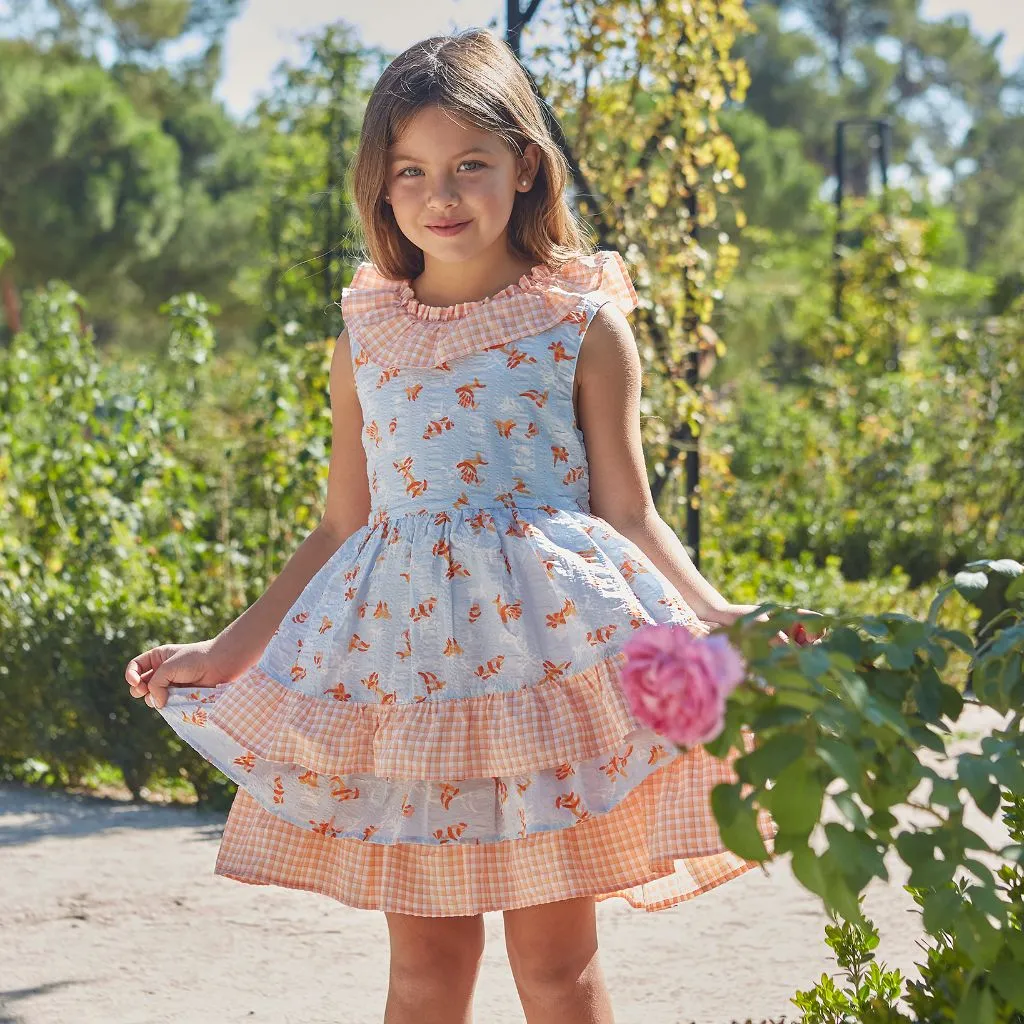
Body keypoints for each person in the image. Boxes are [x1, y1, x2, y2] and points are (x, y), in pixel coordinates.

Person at [124, 28, 795, 1024]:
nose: (442, 194)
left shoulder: (582, 324)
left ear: (526, 166)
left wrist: (721, 616)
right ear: (382, 187)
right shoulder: (367, 335)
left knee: (556, 968)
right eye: (412, 171)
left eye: (469, 165)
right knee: (425, 973)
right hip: (410, 683)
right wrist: (225, 653)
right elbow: (340, 524)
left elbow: (628, 511)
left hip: (550, 680)